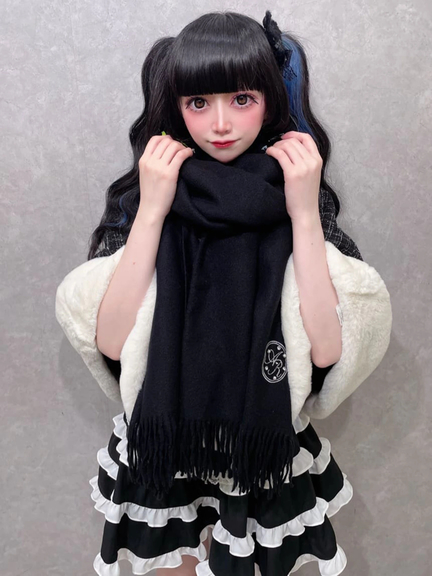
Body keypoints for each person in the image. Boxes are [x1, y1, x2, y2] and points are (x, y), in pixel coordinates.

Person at [55, 10, 392, 576]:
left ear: (269, 101)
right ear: (176, 107)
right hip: (165, 441)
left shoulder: (294, 192)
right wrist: (152, 209)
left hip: (259, 446)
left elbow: (329, 350)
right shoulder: (153, 191)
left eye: (241, 99)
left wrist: (304, 213)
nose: (220, 124)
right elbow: (109, 342)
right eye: (198, 102)